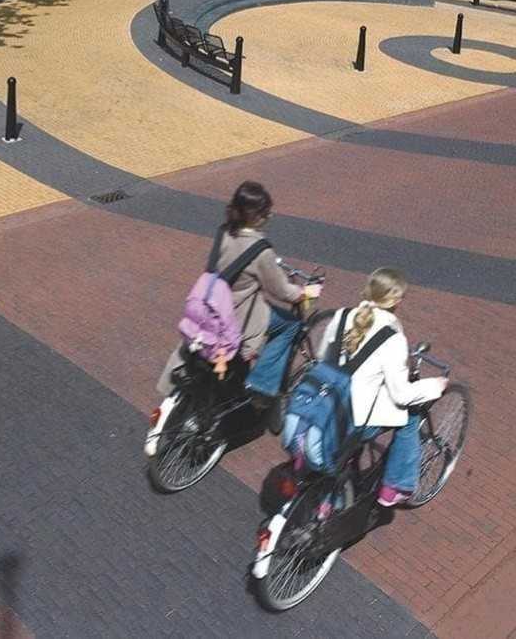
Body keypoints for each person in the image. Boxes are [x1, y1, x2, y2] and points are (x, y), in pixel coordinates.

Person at [156, 181, 320, 398]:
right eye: (267, 213)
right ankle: (262, 385)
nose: (269, 217)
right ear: (256, 216)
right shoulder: (260, 250)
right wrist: (304, 292)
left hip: (208, 307)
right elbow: (281, 291)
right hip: (236, 317)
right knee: (290, 325)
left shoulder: (223, 232)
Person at [315, 268, 448, 506]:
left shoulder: (342, 316)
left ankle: (331, 491)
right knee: (410, 418)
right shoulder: (393, 339)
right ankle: (394, 487)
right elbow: (401, 394)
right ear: (396, 301)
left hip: (323, 404)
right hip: (353, 419)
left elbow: (322, 357)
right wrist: (434, 386)